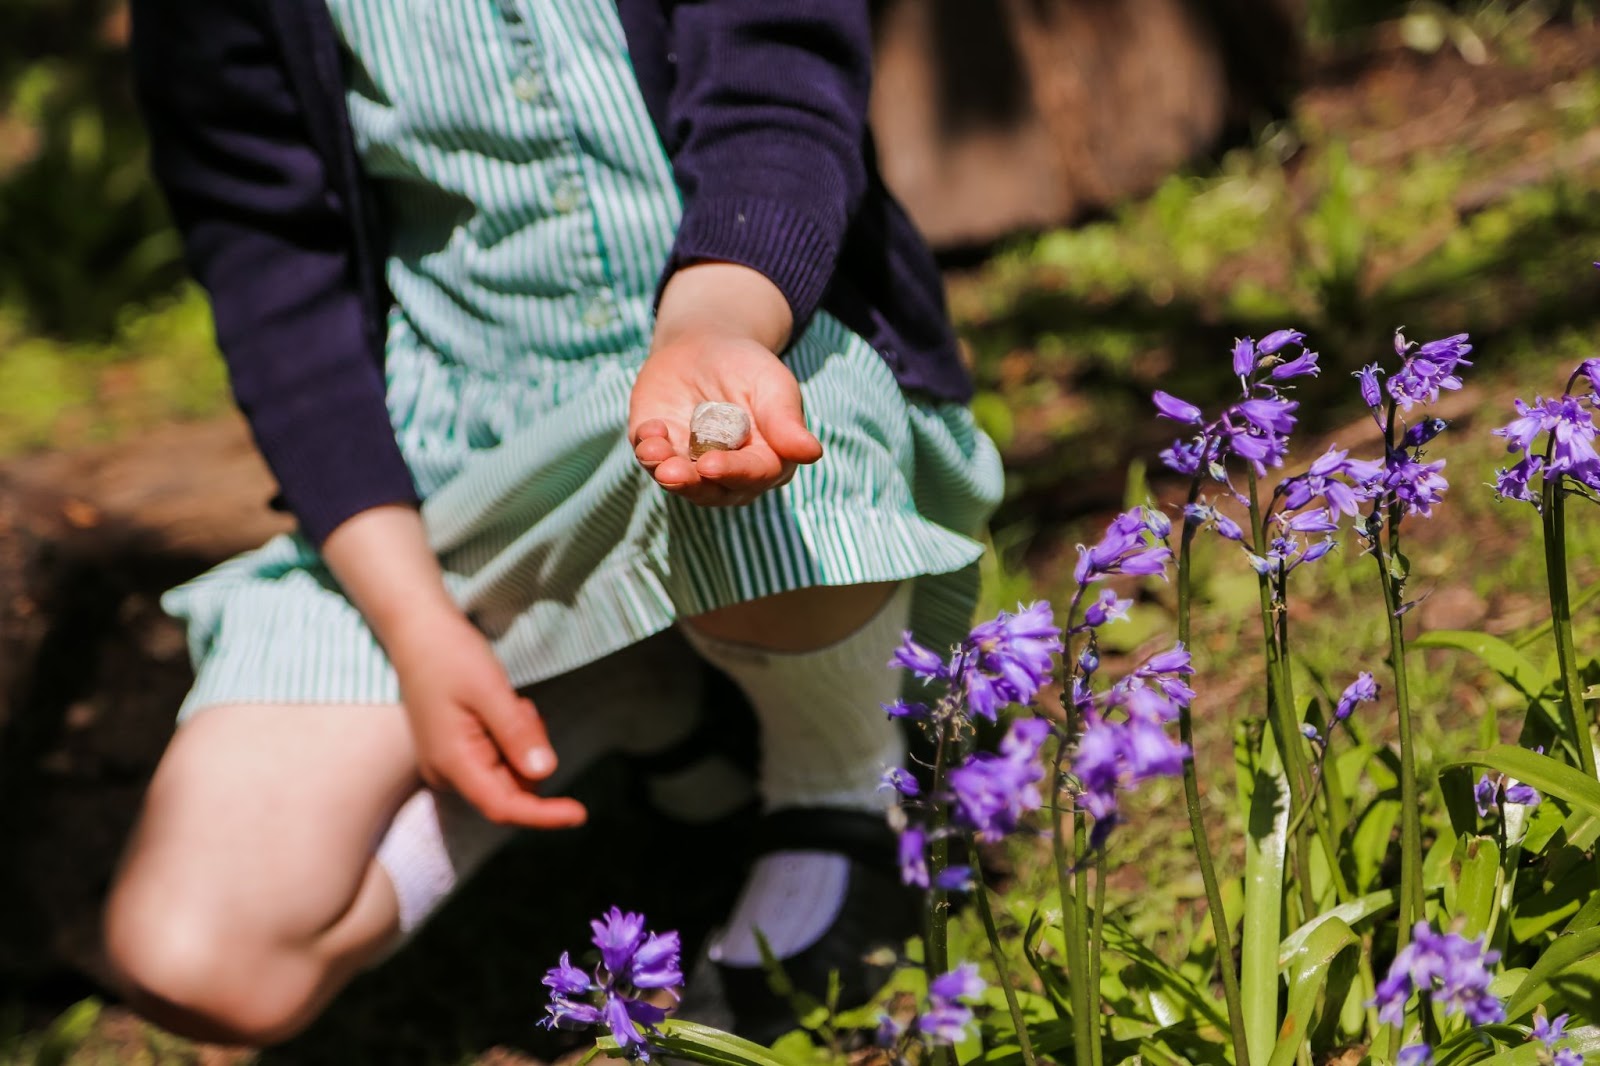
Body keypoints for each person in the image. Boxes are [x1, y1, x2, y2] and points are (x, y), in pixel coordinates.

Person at [105, 0, 1003, 1048]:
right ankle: (633, 687)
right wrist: (413, 621)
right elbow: (273, 270)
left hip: (739, 329)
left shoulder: (730, 331)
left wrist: (716, 325)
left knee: (755, 455)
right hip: (450, 463)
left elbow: (779, 76)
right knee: (199, 955)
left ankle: (839, 800)